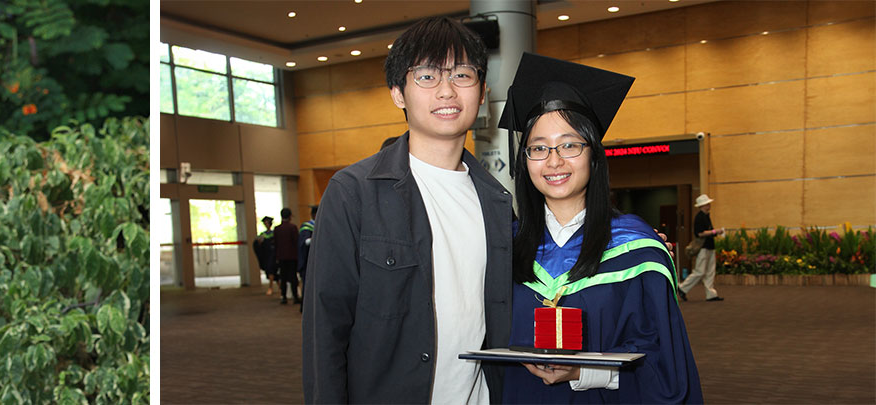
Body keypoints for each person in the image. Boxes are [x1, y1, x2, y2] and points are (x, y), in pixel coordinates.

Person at [302, 16, 512, 403]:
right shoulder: (353, 193)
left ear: (482, 91)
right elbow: (324, 330)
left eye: (462, 75)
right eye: (427, 76)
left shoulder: (497, 202)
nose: (447, 91)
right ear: (398, 93)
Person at [498, 52, 702, 402]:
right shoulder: (504, 247)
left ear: (594, 155)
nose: (554, 161)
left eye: (569, 145)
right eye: (538, 148)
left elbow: (664, 362)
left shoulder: (636, 250)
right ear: (524, 160)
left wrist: (583, 371)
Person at [679, 194, 724, 301]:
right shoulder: (699, 217)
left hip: (709, 246)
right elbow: (699, 233)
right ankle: (682, 288)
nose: (709, 205)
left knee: (710, 271)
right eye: (707, 204)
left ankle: (711, 294)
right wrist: (714, 231)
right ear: (702, 205)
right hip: (703, 247)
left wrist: (713, 232)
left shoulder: (706, 216)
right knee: (700, 271)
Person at [273, 208, 301, 305]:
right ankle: (295, 296)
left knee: (283, 277)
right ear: (290, 216)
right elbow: (296, 242)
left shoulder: (277, 229)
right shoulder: (293, 228)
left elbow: (275, 244)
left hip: (281, 257)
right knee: (293, 277)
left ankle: (283, 296)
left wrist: (277, 257)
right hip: (292, 257)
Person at [253, 216, 278, 295]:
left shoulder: (274, 234)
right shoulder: (262, 235)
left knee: (274, 271)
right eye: (265, 223)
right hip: (267, 256)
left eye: (267, 223)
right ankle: (275, 287)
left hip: (274, 255)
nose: (266, 224)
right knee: (270, 271)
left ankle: (272, 287)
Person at [297, 205, 317, 303]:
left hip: (317, 261)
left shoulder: (320, 225)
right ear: (314, 215)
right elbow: (304, 243)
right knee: (307, 284)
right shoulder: (306, 227)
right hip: (308, 261)